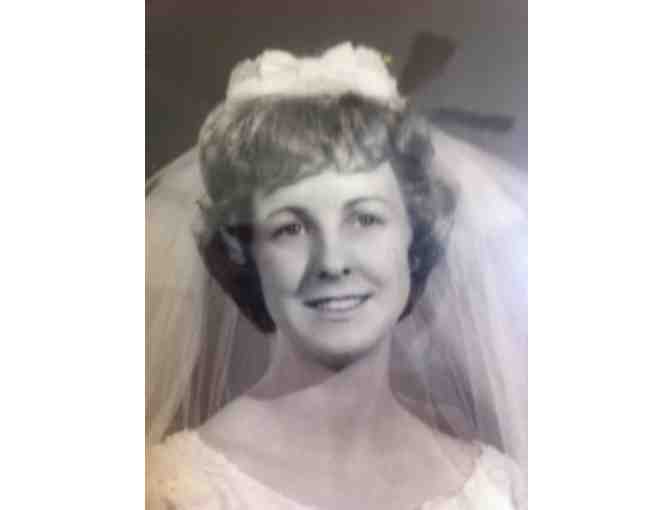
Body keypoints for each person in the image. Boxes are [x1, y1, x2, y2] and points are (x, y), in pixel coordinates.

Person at [146, 42, 527, 509]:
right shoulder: (171, 491)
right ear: (246, 254)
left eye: (364, 219)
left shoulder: (502, 489)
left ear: (414, 235)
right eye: (290, 228)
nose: (331, 262)